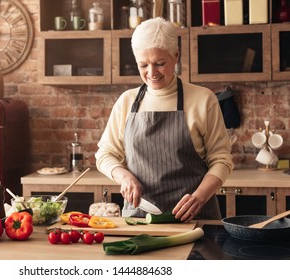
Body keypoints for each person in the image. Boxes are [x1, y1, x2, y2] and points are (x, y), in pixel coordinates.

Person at [95, 17, 234, 222]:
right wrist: (123, 176)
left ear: (175, 56)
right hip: (139, 218)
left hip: (196, 218)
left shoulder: (203, 100)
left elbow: (222, 160)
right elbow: (105, 155)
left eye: (160, 63)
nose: (152, 73)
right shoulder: (126, 101)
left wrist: (199, 197)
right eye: (143, 65)